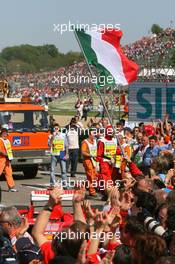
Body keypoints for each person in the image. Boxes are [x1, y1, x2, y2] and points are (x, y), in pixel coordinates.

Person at [48, 123, 69, 188]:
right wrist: (53, 137)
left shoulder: (63, 135)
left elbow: (66, 145)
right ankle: (52, 184)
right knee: (52, 170)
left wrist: (67, 153)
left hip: (62, 153)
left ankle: (65, 184)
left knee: (63, 170)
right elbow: (49, 145)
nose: (56, 129)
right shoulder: (50, 136)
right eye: (55, 128)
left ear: (59, 128)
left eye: (57, 128)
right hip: (54, 154)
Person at [81, 129, 99, 197]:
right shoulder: (85, 142)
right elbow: (83, 152)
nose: (94, 135)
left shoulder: (95, 141)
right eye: (93, 134)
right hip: (88, 161)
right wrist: (91, 155)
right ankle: (92, 191)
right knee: (91, 176)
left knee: (94, 175)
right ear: (89, 134)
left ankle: (84, 186)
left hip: (94, 160)